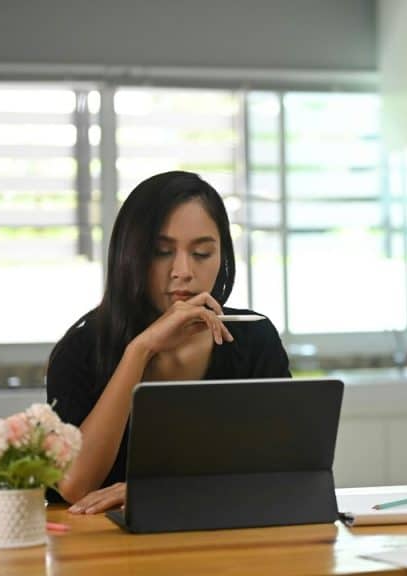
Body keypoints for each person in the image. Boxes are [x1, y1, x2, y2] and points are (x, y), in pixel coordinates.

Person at [45, 171, 290, 514]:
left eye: (202, 253)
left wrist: (164, 492)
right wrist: (140, 351)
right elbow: (75, 486)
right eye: (162, 252)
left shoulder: (254, 337)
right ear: (129, 255)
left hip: (220, 542)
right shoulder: (81, 349)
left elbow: (286, 474)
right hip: (106, 548)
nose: (183, 271)